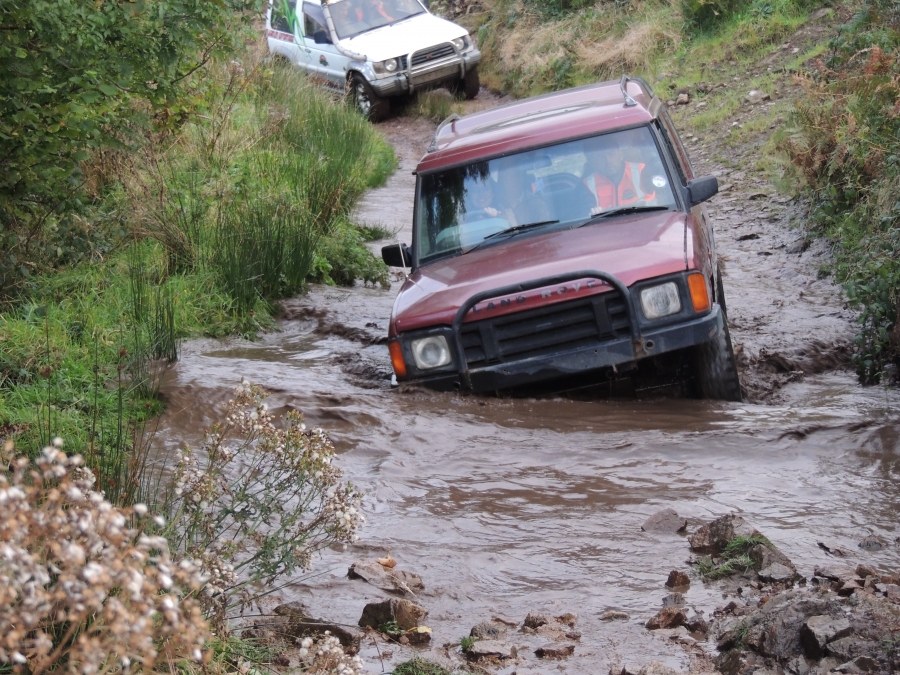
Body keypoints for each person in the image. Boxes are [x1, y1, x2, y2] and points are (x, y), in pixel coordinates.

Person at [582, 133, 655, 213]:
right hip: (608, 225)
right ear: (596, 161)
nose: (608, 161)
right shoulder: (588, 184)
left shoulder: (641, 171)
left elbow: (655, 203)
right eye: (601, 157)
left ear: (620, 155)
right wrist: (594, 214)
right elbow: (585, 215)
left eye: (611, 154)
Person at [494, 160, 553, 227]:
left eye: (516, 175)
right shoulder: (494, 204)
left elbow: (545, 231)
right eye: (507, 177)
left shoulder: (536, 204)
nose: (512, 181)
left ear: (522, 178)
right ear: (501, 180)